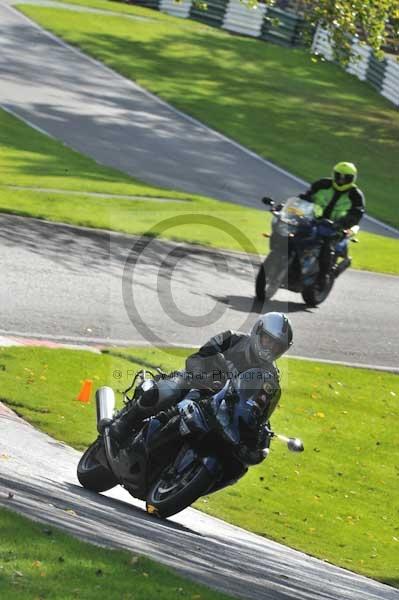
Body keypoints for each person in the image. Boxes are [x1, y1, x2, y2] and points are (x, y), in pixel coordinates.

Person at [110, 312, 293, 463]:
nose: (270, 349)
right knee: (167, 391)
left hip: (222, 407)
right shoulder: (231, 339)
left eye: (277, 347)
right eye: (268, 341)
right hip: (194, 381)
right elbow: (195, 359)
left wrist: (259, 424)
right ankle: (124, 421)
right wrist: (208, 378)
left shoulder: (270, 377)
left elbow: (261, 405)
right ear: (257, 332)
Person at [299, 161, 365, 285]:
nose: (341, 180)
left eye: (346, 178)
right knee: (292, 230)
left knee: (327, 245)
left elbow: (357, 214)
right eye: (338, 176)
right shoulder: (322, 184)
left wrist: (342, 223)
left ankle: (322, 278)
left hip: (335, 227)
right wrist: (300, 202)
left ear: (353, 179)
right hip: (313, 220)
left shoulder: (355, 195)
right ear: (333, 174)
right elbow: (308, 195)